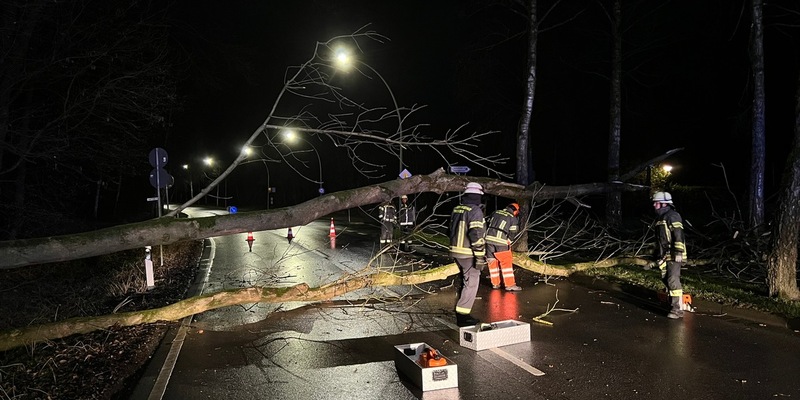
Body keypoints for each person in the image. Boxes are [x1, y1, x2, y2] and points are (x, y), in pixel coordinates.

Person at [450, 182, 487, 327]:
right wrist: (479, 255)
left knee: (464, 280)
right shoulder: (475, 210)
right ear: (477, 196)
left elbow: (449, 229)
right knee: (471, 283)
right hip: (467, 252)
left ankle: (461, 309)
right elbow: (476, 234)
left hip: (456, 250)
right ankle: (463, 316)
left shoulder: (457, 208)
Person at [648, 191, 687, 319]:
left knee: (672, 279)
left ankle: (677, 309)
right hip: (665, 255)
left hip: (674, 255)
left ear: (664, 204)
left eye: (656, 203)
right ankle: (673, 304)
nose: (654, 205)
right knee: (666, 279)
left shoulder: (672, 216)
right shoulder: (660, 219)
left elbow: (678, 234)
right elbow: (660, 240)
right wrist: (656, 257)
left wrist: (679, 251)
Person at [485, 202, 522, 291]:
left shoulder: (495, 212)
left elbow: (487, 223)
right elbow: (513, 231)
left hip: (488, 240)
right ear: (515, 211)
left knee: (492, 262)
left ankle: (495, 284)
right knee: (506, 263)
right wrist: (509, 240)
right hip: (501, 242)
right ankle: (510, 285)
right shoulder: (512, 218)